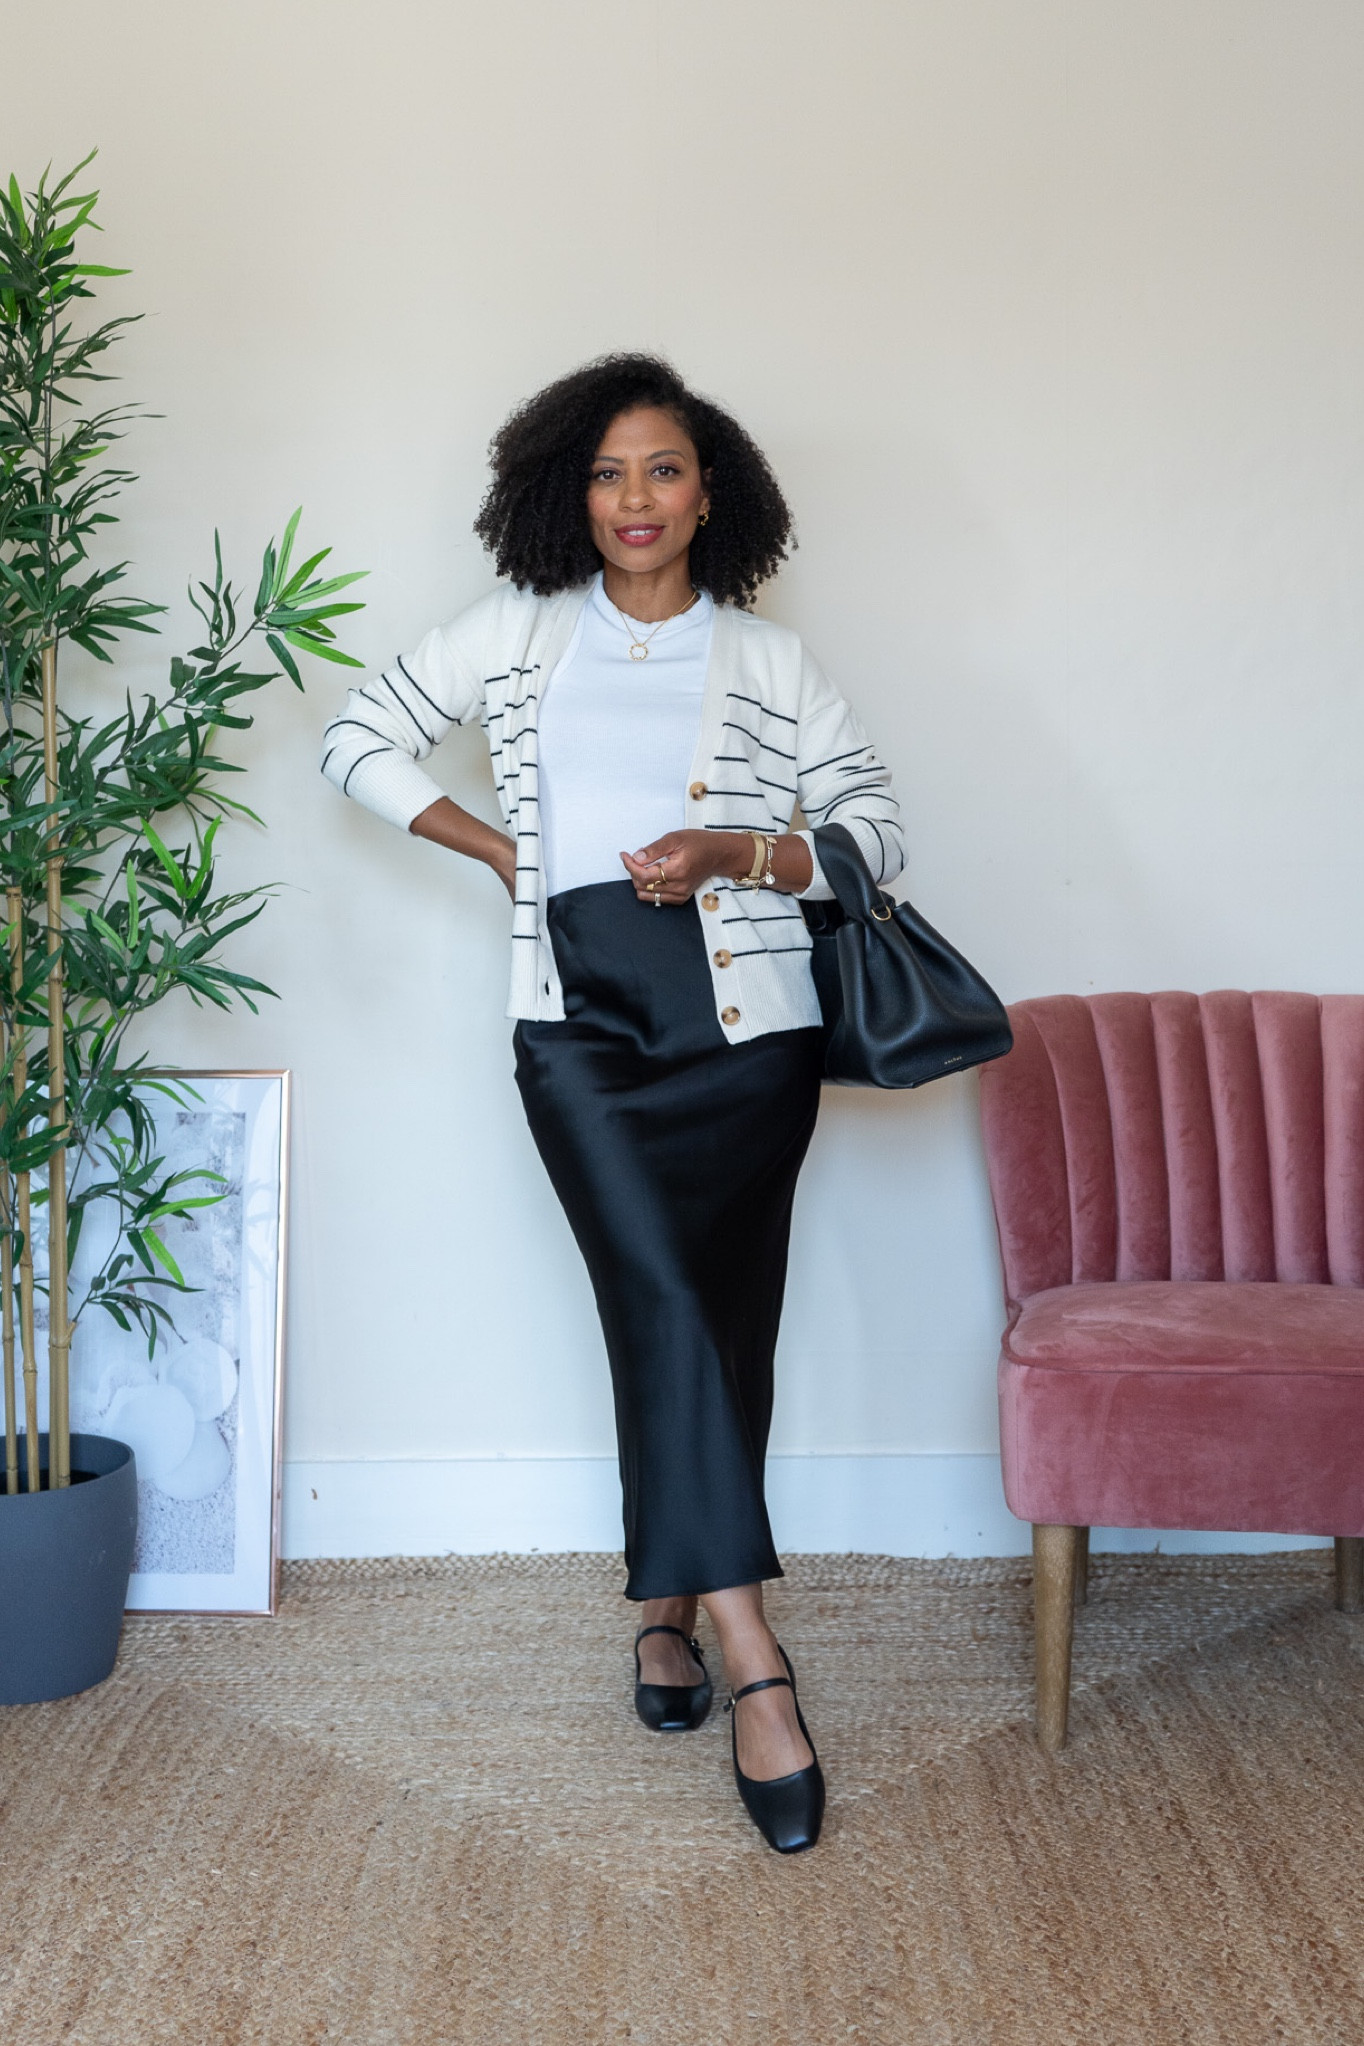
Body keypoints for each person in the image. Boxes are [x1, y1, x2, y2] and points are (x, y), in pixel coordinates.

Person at [321, 354, 903, 1852]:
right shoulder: (518, 630)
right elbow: (353, 741)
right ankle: (757, 1657)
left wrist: (732, 852)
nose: (634, 500)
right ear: (565, 495)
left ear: (713, 492)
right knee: (655, 1295)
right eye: (606, 474)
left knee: (722, 1317)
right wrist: (506, 850)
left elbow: (875, 836)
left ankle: (664, 1608)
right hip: (575, 1027)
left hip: (747, 1034)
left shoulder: (769, 661)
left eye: (662, 470)